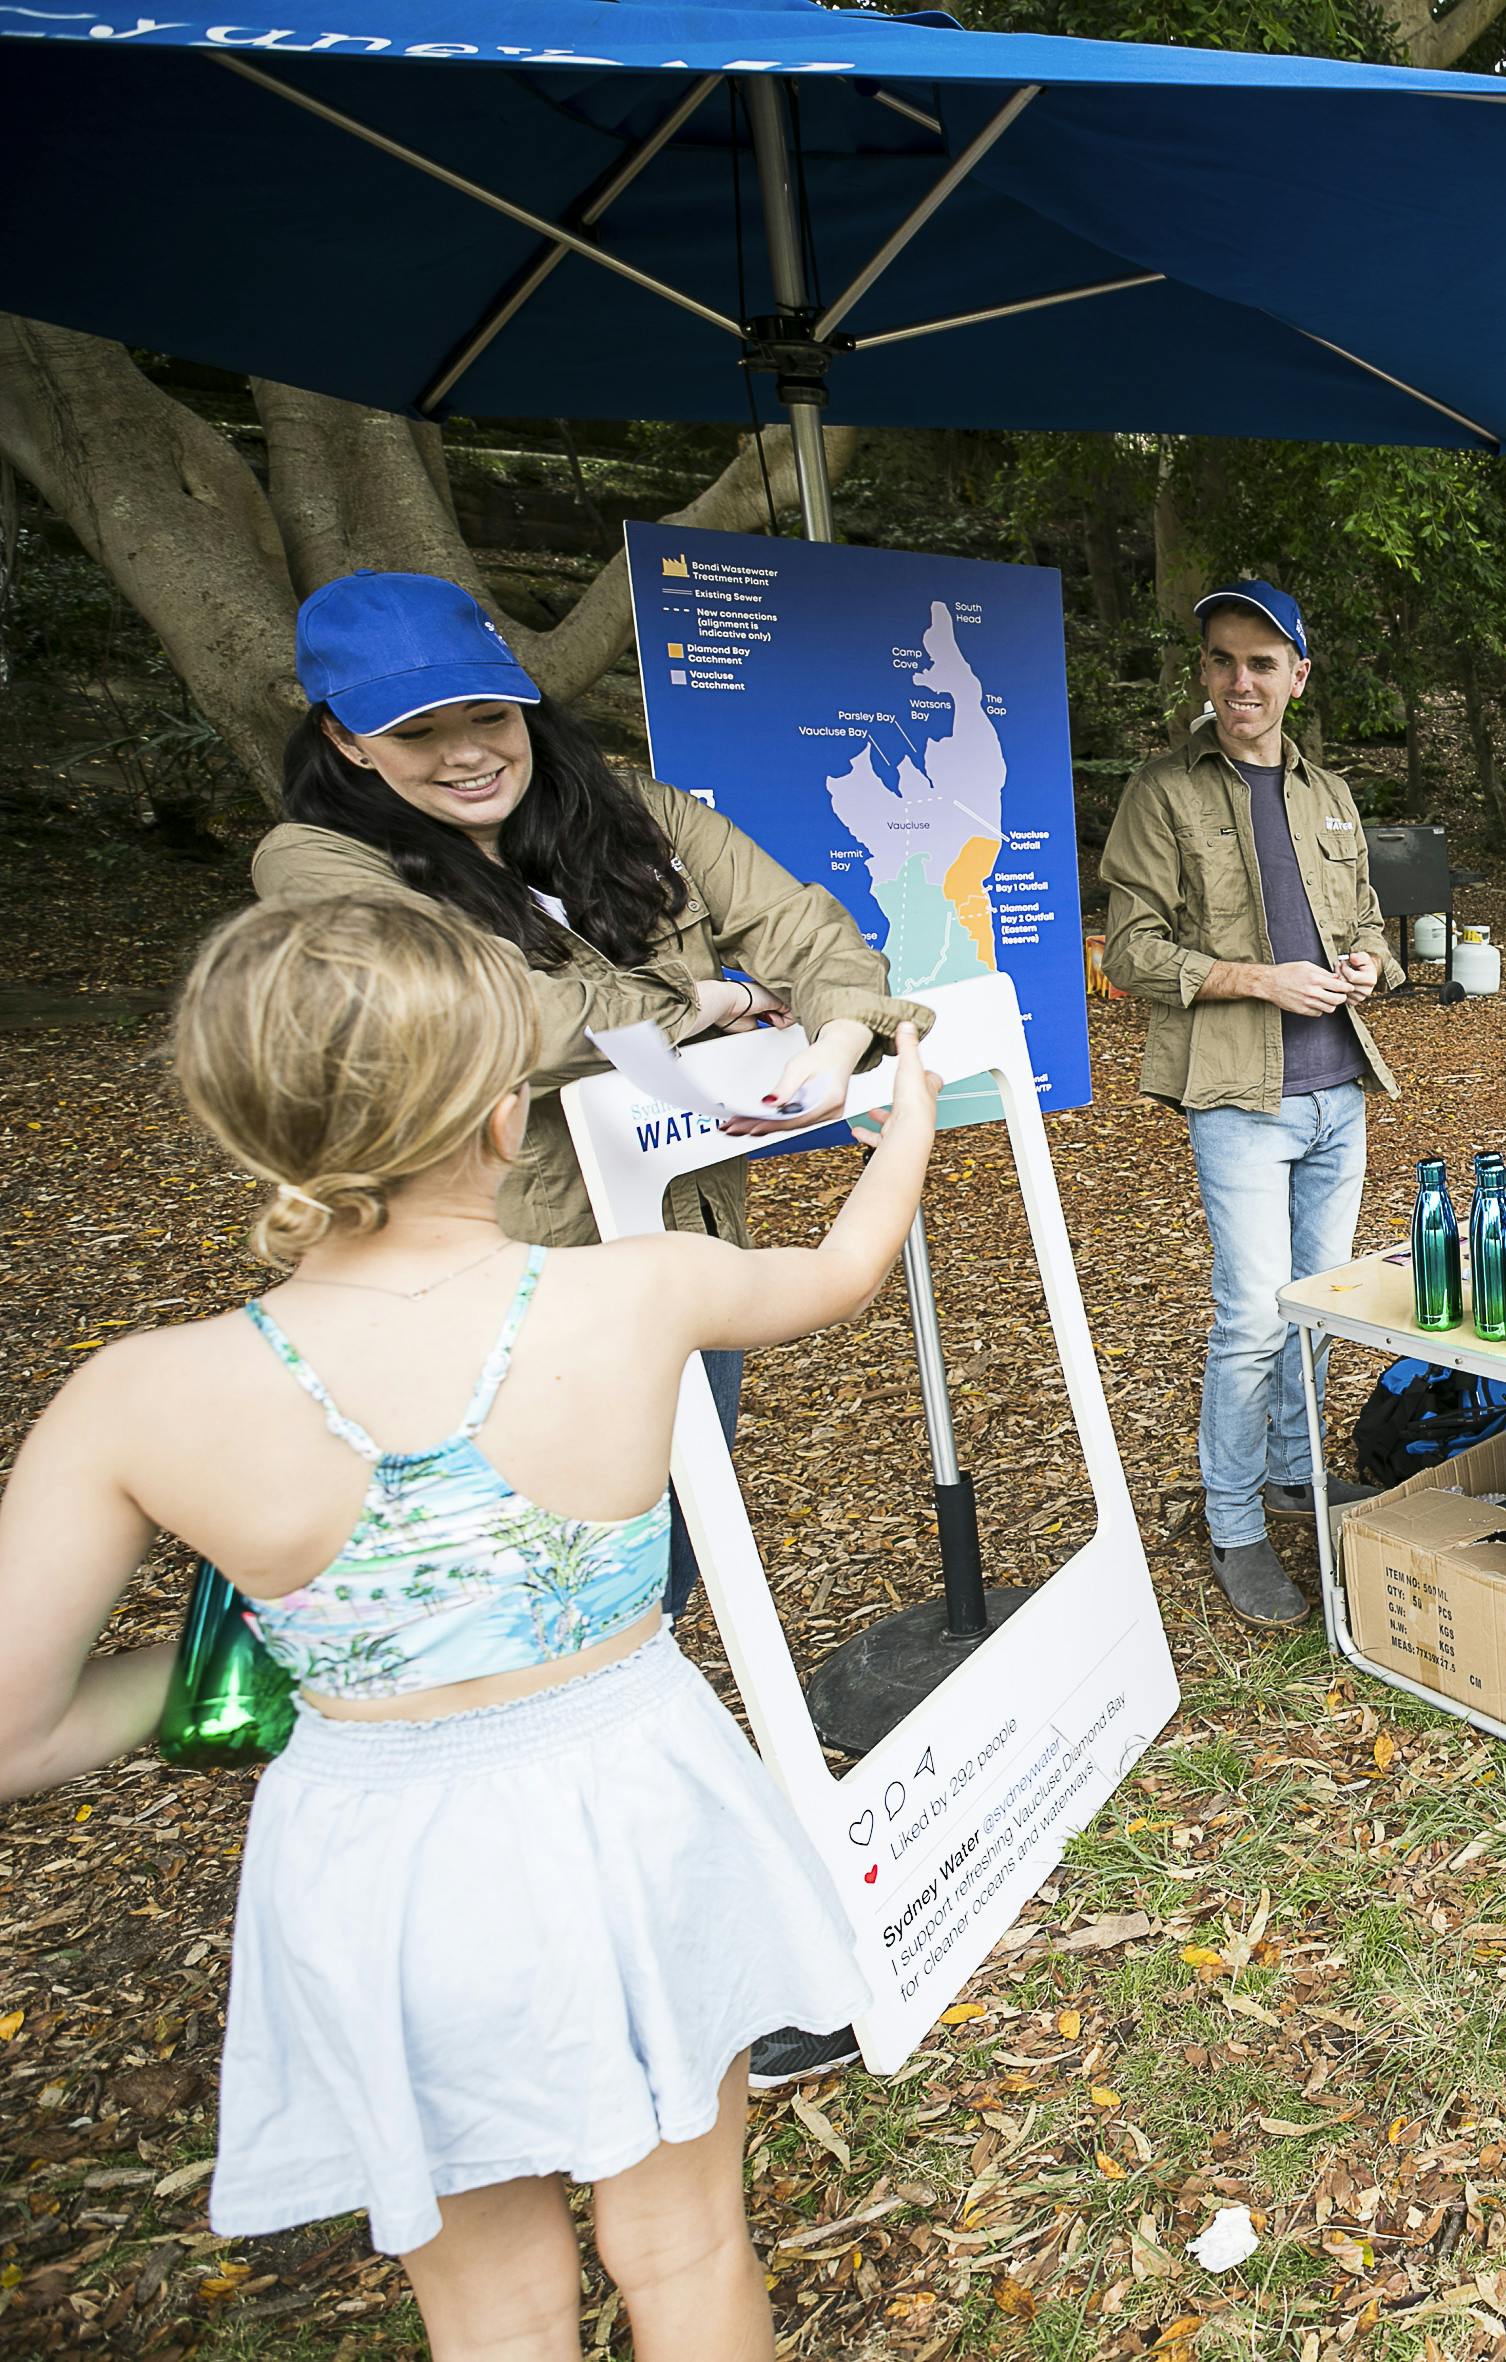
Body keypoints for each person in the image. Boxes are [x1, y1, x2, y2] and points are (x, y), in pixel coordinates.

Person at [0, 893, 936, 2359]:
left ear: (241, 1125)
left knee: (493, 2310)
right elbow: (840, 1271)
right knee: (682, 2247)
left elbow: (22, 1726)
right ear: (507, 1110)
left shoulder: (138, 1395)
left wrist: (294, 1653)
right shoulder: (629, 1293)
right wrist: (909, 1113)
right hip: (634, 1816)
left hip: (381, 1873)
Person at [250, 571, 929, 1624]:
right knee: (543, 1585)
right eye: (421, 730)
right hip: (512, 1283)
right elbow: (493, 1018)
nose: (470, 750)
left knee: (672, 1546)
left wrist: (840, 1029)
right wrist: (709, 994)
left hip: (691, 1244)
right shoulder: (318, 863)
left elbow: (803, 924)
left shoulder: (626, 809)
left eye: (488, 713)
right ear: (346, 740)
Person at [1103, 579, 1402, 1629]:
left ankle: (1291, 1477)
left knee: (1315, 1313)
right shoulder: (1164, 792)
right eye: (1224, 661)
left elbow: (1368, 916)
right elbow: (1130, 952)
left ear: (1297, 677)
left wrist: (1368, 961)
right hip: (1238, 1093)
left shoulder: (1329, 792)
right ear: (1204, 673)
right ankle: (1233, 1522)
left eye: (1263, 663)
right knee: (1249, 1319)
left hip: (1338, 1091)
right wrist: (1259, 977)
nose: (1242, 681)